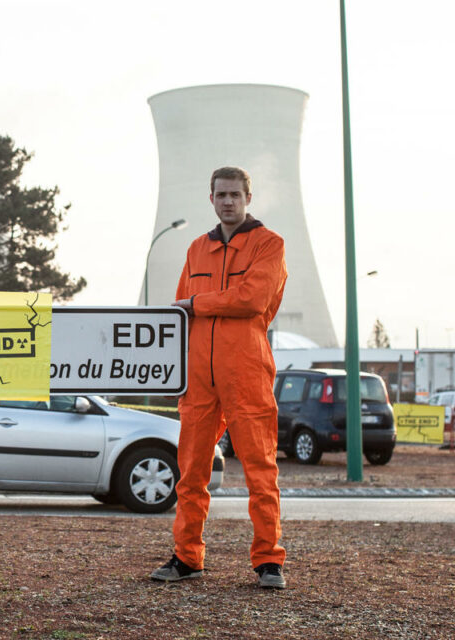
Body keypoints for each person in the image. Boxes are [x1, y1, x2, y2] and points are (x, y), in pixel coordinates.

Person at [150, 166, 288, 589]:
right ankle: (187, 556)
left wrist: (199, 302)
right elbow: (179, 312)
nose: (228, 201)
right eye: (221, 194)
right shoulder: (196, 249)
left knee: (260, 470)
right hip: (199, 378)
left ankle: (269, 561)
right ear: (210, 199)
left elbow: (252, 299)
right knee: (190, 471)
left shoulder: (270, 245)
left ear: (249, 197)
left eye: (235, 194)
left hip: (246, 372)